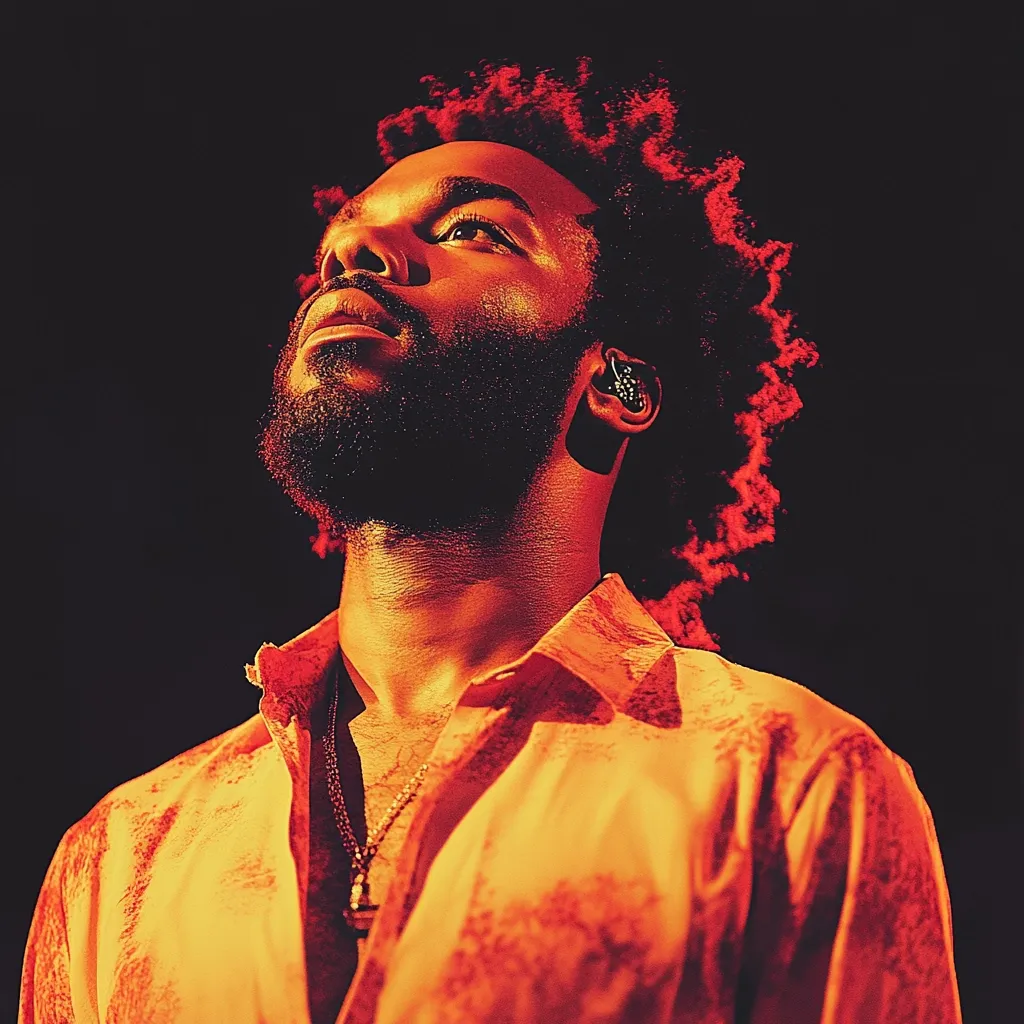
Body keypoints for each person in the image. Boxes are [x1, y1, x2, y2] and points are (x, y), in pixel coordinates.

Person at [21, 62, 961, 1024]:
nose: (361, 252)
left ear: (618, 384)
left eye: (474, 230)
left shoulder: (789, 782)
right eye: (338, 246)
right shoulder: (120, 856)